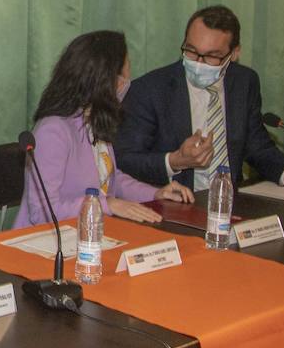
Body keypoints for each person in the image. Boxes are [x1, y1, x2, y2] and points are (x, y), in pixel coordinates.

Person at [114, 5, 284, 194]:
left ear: (234, 53)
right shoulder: (151, 89)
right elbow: (125, 159)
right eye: (190, 50)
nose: (198, 62)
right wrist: (175, 160)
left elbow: (257, 147)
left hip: (230, 203)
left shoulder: (244, 82)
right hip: (174, 204)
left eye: (211, 55)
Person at [15, 31, 193, 227]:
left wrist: (155, 193)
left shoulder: (93, 121)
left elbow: (111, 180)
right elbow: (42, 213)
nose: (125, 84)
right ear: (104, 81)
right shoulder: (53, 131)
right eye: (122, 77)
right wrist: (106, 205)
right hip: (46, 243)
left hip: (90, 234)